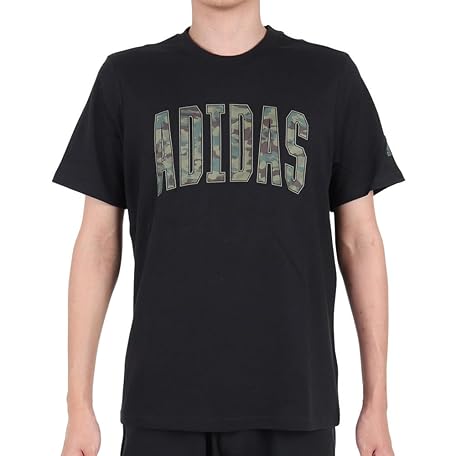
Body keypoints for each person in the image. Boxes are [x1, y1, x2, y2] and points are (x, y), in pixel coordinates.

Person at [53, 0, 405, 455]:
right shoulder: (127, 79)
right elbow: (98, 243)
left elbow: (360, 241)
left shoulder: (329, 77)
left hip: (295, 403)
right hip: (162, 404)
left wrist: (376, 405)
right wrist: (78, 406)